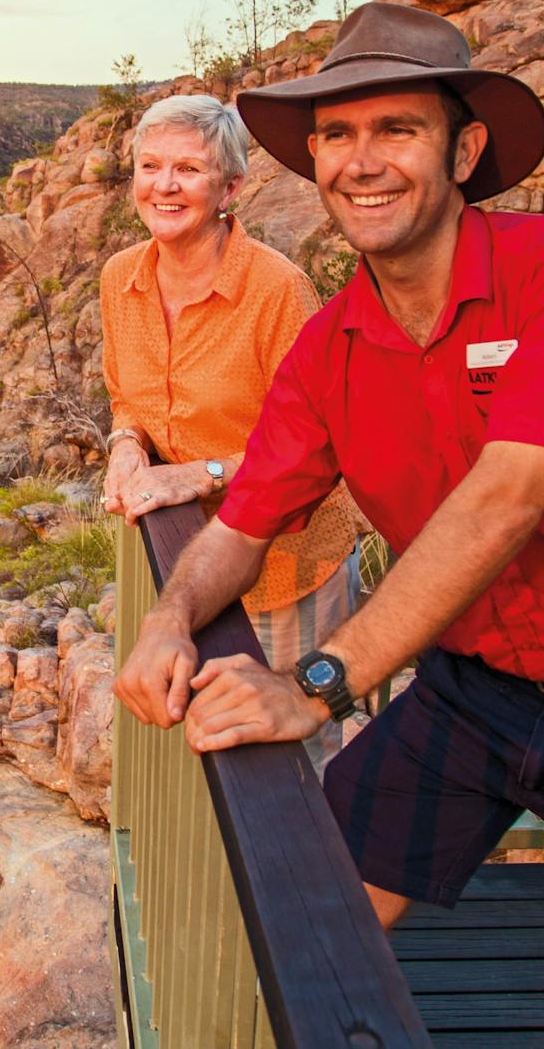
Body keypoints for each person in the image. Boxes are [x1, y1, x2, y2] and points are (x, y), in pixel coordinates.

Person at [112, 3, 544, 1049]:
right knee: (321, 905)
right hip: (471, 691)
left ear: (464, 149)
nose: (362, 163)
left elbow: (508, 496)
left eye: (395, 129)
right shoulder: (332, 348)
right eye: (337, 136)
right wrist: (171, 615)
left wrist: (315, 684)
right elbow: (247, 517)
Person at [99, 93, 365, 766]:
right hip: (191, 566)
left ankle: (315, 873)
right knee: (210, 733)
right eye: (150, 166)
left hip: (287, 565)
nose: (164, 185)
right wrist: (127, 449)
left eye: (187, 169)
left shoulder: (277, 291)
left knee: (297, 758)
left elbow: (325, 446)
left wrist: (201, 473)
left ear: (230, 188)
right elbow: (124, 399)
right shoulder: (121, 279)